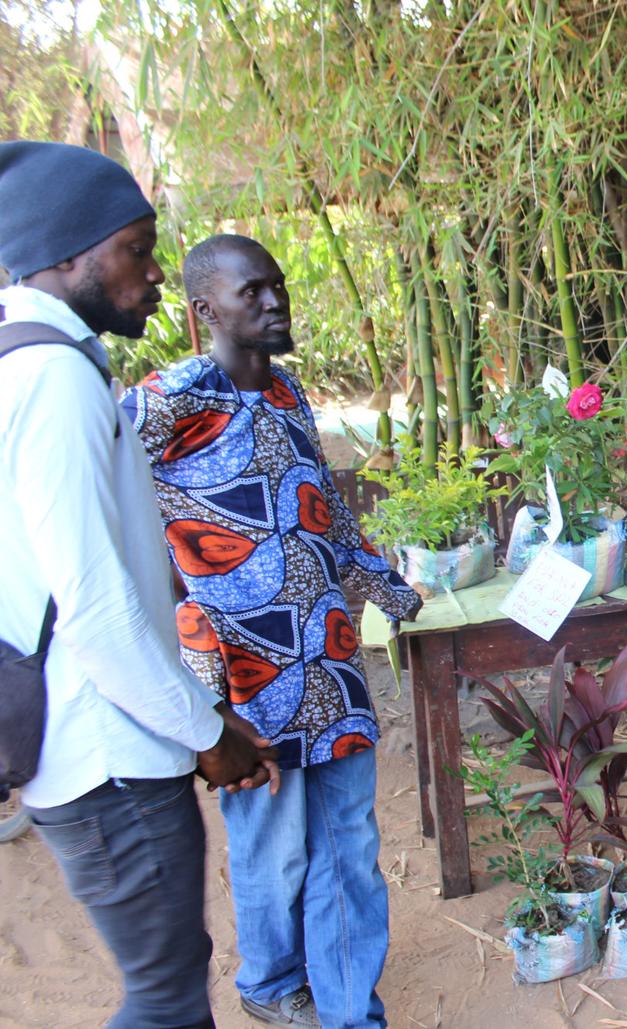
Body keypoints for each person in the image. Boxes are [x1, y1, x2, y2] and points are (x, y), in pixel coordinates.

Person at [0, 142, 280, 1029]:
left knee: (169, 979)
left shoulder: (31, 361)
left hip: (99, 743)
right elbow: (95, 606)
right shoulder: (50, 380)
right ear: (70, 253)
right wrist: (207, 733)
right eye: (137, 249)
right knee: (165, 997)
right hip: (107, 753)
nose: (155, 273)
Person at [121, 233, 422, 1029]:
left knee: (349, 844)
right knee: (272, 847)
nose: (273, 301)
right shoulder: (171, 398)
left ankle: (349, 1007)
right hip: (244, 678)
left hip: (326, 660)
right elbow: (99, 492)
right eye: (251, 290)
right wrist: (176, 624)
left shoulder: (289, 395)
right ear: (204, 311)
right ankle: (269, 979)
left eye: (277, 286)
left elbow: (325, 510)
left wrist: (390, 588)